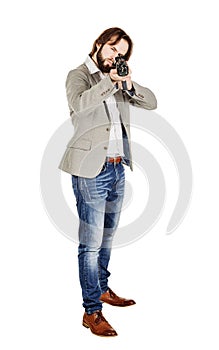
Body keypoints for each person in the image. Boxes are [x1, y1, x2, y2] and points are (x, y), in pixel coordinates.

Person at [59, 27, 157, 337]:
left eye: (123, 54)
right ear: (100, 44)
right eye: (114, 50)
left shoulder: (118, 79)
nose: (117, 57)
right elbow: (80, 104)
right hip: (90, 171)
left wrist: (127, 83)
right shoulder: (80, 75)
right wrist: (109, 81)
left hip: (117, 168)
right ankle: (91, 312)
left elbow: (152, 102)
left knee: (108, 238)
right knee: (90, 246)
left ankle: (101, 288)